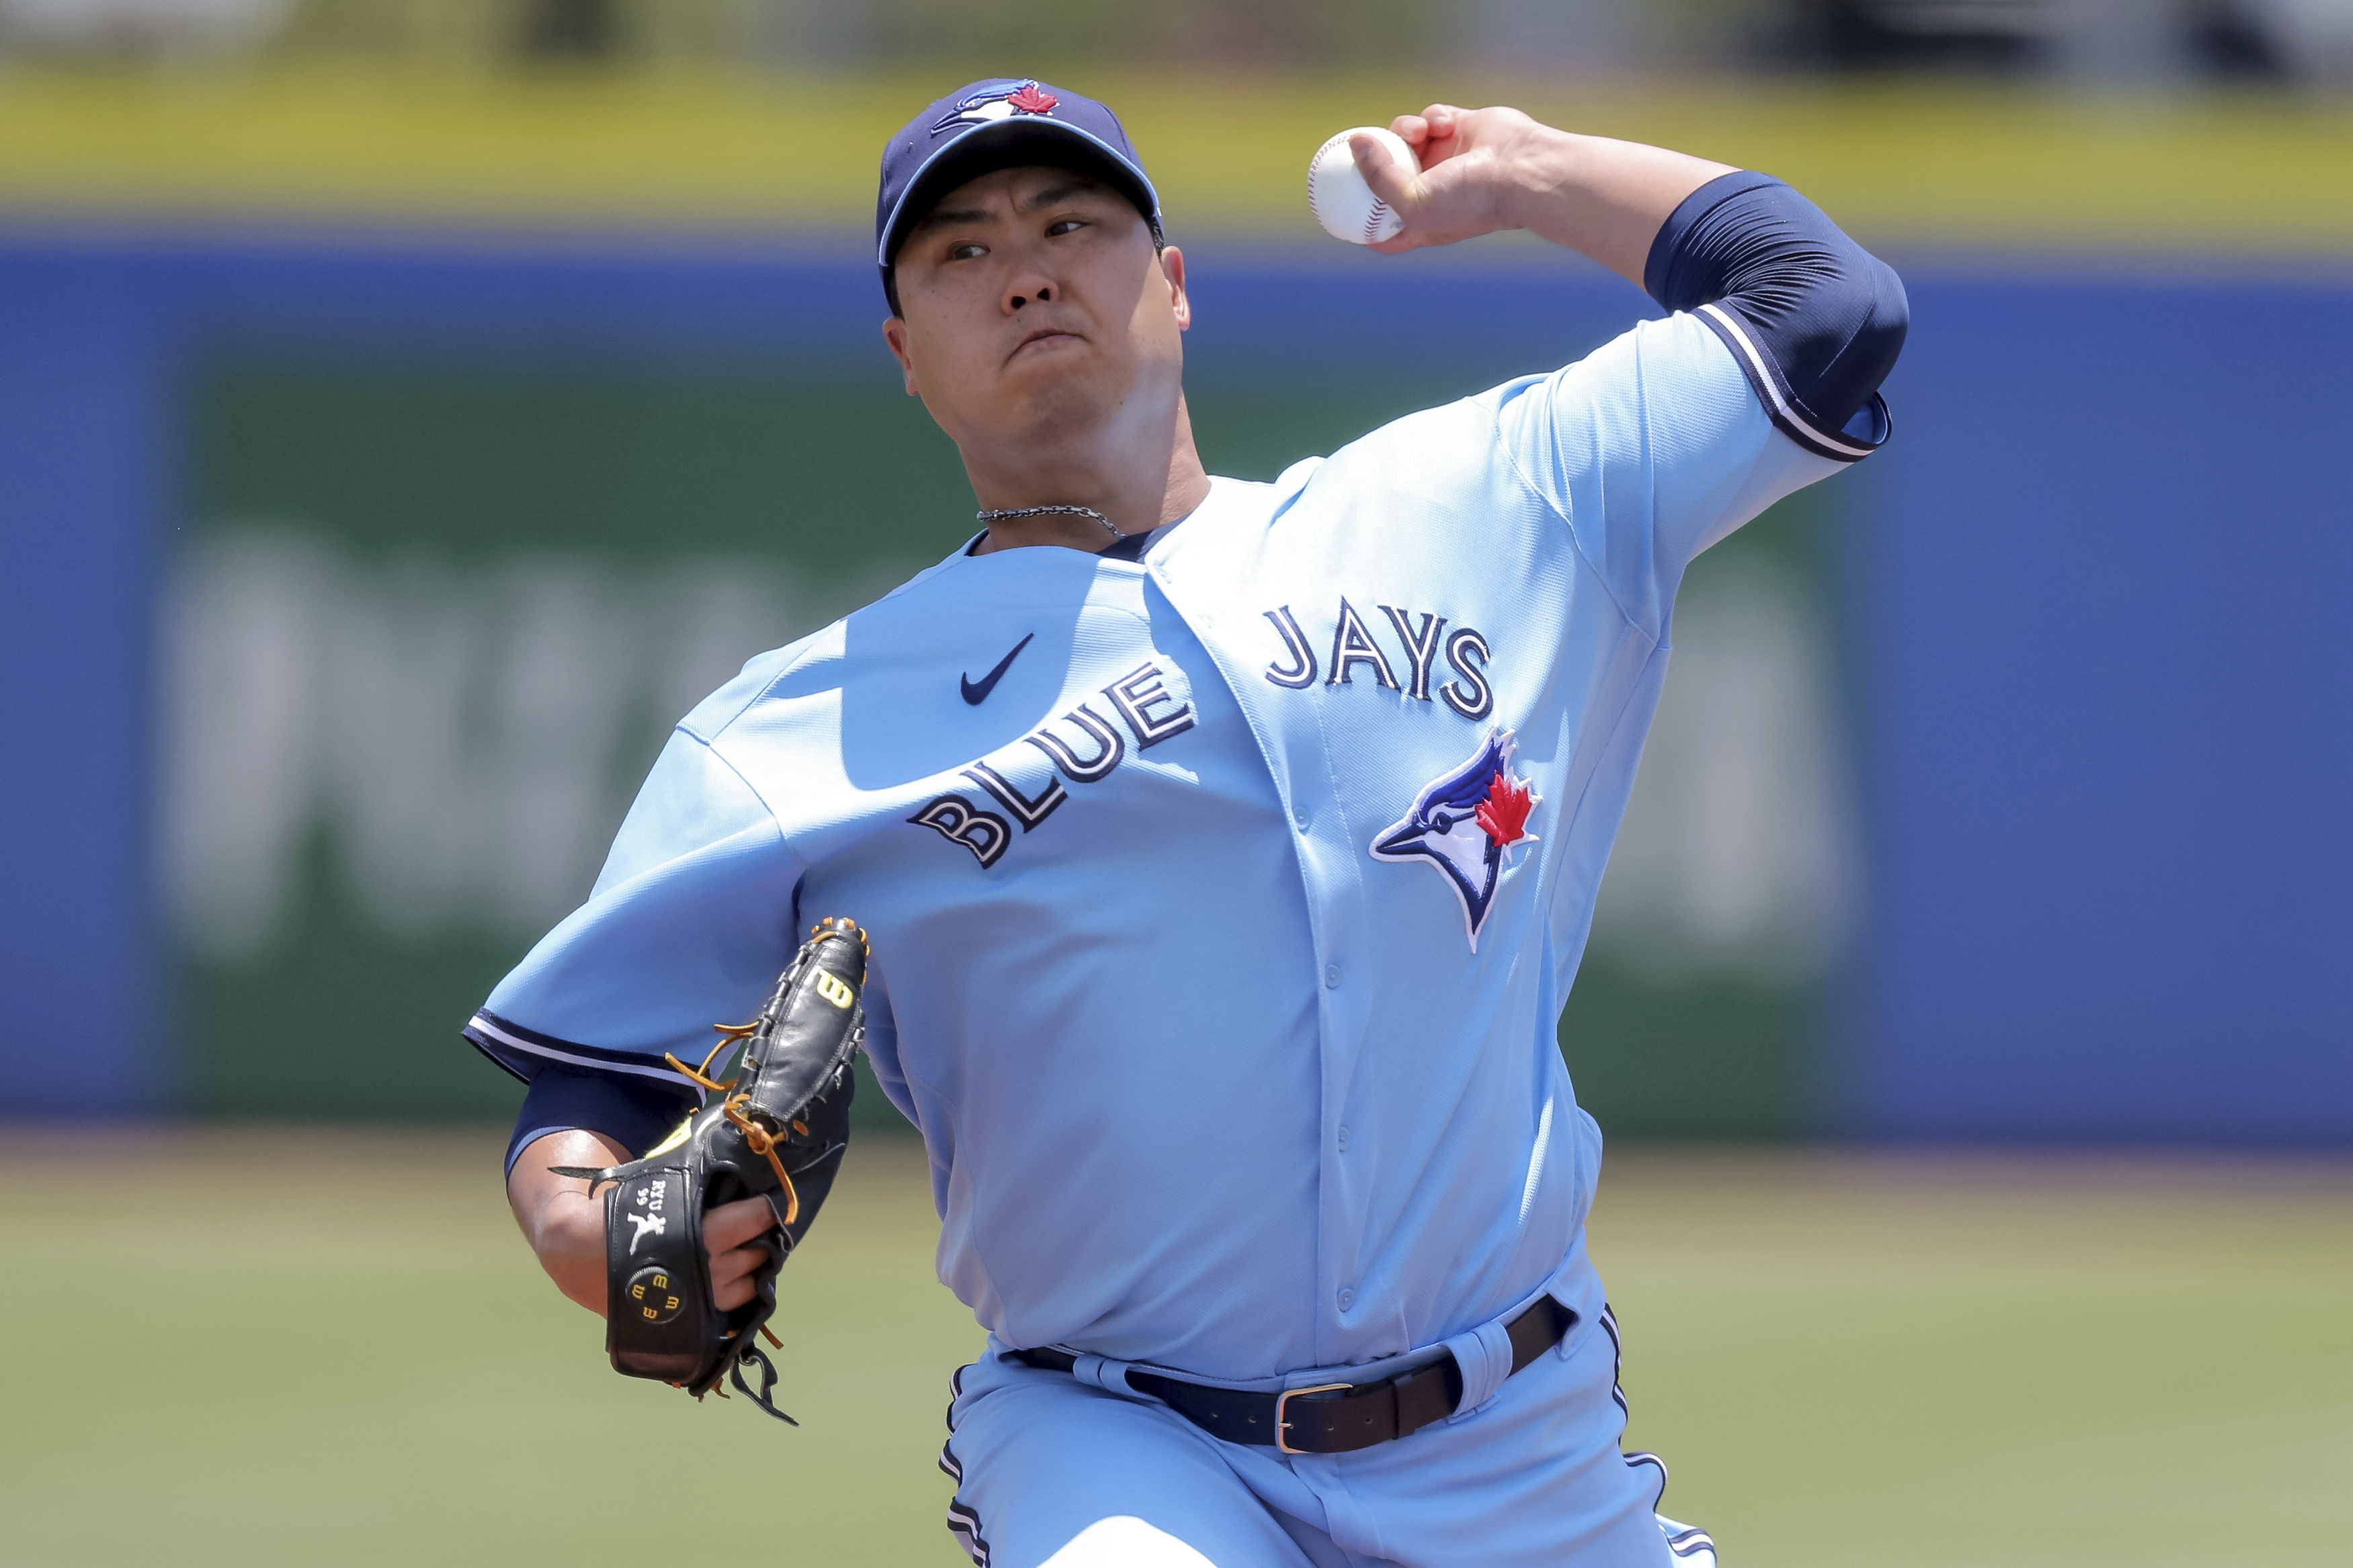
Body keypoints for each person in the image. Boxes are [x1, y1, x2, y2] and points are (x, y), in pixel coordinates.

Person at [477, 77, 1905, 1567]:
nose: (1024, 266)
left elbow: (1826, 308)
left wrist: (1529, 170)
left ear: (1172, 284)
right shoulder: (801, 726)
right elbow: (587, 1080)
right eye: (958, 251)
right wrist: (585, 1226)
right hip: (1124, 1443)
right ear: (905, 355)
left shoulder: (1486, 503)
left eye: (1072, 222)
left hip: (1520, 1449)